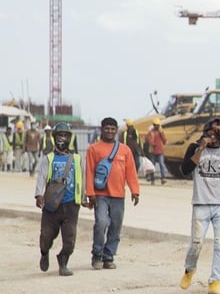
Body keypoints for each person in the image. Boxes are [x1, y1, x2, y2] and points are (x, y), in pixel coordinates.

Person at [179, 117, 220, 294]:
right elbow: (185, 169)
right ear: (205, 132)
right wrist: (201, 147)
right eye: (211, 132)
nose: (214, 137)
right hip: (200, 203)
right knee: (196, 243)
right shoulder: (194, 148)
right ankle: (189, 270)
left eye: (217, 133)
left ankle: (215, 282)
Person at [85, 117, 141, 270]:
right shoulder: (93, 149)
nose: (109, 131)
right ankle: (97, 254)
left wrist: (135, 191)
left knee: (116, 226)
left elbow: (131, 172)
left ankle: (108, 256)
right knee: (101, 223)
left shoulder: (125, 150)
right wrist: (90, 193)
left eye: (112, 129)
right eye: (106, 128)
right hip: (100, 195)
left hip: (118, 195)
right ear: (101, 130)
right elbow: (89, 172)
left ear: (116, 130)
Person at [33, 122, 83, 276]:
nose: (63, 138)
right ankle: (44, 252)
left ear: (70, 138)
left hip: (71, 205)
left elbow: (82, 179)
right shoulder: (48, 158)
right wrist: (38, 194)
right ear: (54, 138)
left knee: (69, 240)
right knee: (46, 236)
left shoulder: (77, 158)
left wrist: (86, 197)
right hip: (51, 205)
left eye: (66, 135)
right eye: (60, 135)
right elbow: (41, 177)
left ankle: (63, 262)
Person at [145, 119, 169, 185]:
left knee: (162, 165)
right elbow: (149, 140)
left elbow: (164, 140)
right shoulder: (150, 132)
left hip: (160, 151)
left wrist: (165, 140)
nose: (158, 126)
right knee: (153, 166)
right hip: (153, 152)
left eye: (158, 125)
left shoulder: (161, 132)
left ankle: (163, 178)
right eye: (156, 125)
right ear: (154, 125)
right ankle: (153, 179)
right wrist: (154, 144)